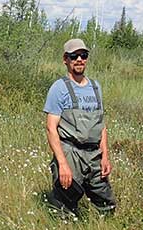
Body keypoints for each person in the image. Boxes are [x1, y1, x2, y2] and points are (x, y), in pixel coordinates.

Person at [43, 38, 115, 216]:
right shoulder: (59, 88)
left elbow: (101, 125)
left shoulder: (95, 87)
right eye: (74, 56)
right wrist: (63, 164)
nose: (79, 59)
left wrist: (105, 156)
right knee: (64, 205)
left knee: (107, 204)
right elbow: (51, 128)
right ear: (65, 59)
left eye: (83, 55)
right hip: (71, 153)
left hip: (94, 156)